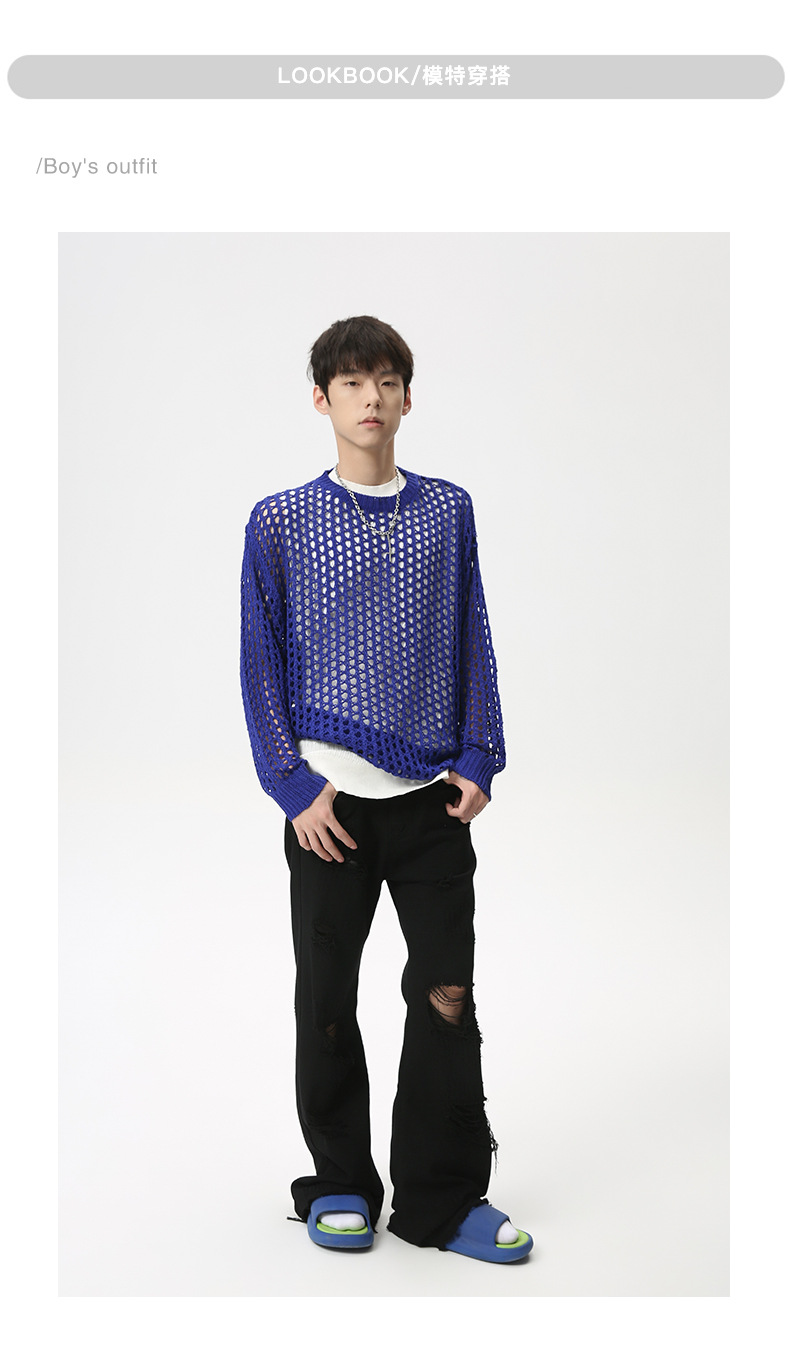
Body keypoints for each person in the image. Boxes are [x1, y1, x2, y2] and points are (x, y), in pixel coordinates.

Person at [240, 315, 532, 1263]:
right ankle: (339, 1182)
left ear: (408, 396)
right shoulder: (281, 520)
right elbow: (260, 661)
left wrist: (479, 754)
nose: (372, 398)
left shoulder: (447, 510)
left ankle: (443, 1200)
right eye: (353, 382)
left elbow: (470, 631)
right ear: (321, 399)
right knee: (327, 996)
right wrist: (293, 785)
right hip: (328, 809)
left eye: (388, 381)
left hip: (429, 801)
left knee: (447, 991)